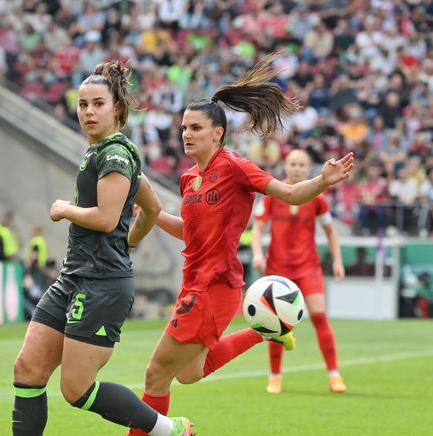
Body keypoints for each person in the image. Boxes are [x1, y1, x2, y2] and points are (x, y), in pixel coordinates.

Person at [128, 53, 354, 436]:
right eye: (184, 127)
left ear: (217, 133)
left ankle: (169, 431)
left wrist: (321, 180)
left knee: (155, 374)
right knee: (188, 373)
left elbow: (291, 193)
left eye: (196, 127)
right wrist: (149, 217)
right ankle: (267, 330)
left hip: (214, 286)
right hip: (194, 282)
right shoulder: (188, 180)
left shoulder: (233, 166)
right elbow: (192, 233)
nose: (187, 134)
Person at [11, 61, 194, 436]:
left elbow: (107, 218)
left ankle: (167, 430)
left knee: (75, 390)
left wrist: (65, 209)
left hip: (101, 284)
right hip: (73, 277)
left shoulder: (114, 154)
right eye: (82, 105)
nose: (88, 112)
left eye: (98, 104)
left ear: (117, 110)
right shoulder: (109, 152)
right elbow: (153, 208)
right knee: (28, 369)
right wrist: (131, 241)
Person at [251, 149, 347, 394]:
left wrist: (337, 261)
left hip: (307, 266)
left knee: (319, 316)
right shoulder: (273, 194)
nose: (297, 168)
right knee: (276, 324)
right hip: (278, 268)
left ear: (308, 168)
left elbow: (330, 232)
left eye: (301, 165)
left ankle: (334, 374)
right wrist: (258, 253)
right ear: (286, 165)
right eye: (293, 164)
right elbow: (259, 228)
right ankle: (275, 376)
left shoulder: (317, 197)